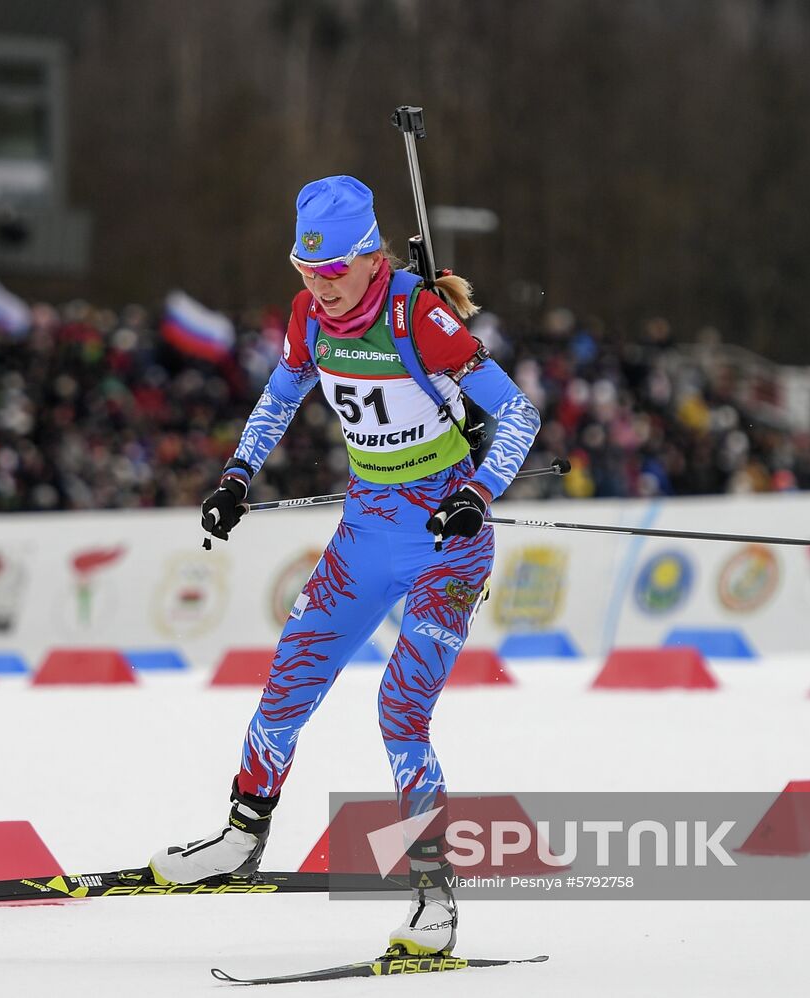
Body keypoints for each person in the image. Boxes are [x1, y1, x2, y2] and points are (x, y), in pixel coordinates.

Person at [150, 176, 541, 955]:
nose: (319, 287)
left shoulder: (417, 315)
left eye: (332, 272)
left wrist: (478, 492)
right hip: (364, 533)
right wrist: (234, 478)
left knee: (401, 709)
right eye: (305, 270)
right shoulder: (307, 318)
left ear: (369, 258)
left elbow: (520, 415)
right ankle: (241, 836)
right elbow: (278, 397)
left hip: (445, 544)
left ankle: (435, 896)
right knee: (286, 683)